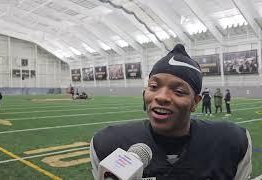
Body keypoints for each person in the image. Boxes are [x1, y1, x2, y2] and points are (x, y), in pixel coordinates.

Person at [90, 44, 252, 180]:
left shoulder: (230, 142)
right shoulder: (108, 144)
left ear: (195, 102)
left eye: (179, 91)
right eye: (154, 87)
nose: (161, 97)